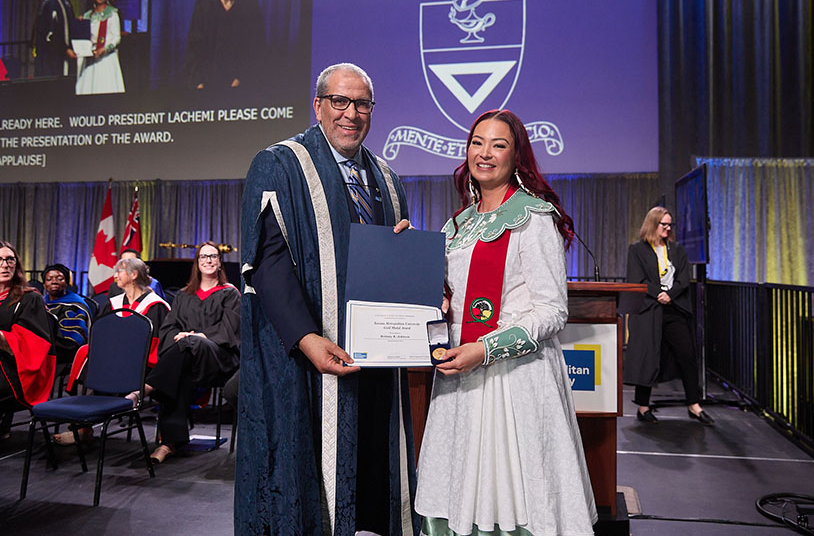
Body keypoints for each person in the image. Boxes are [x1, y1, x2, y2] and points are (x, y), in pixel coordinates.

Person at [236, 63, 416, 534]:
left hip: (373, 354)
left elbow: (386, 265)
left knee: (371, 462)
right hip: (302, 355)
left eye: (361, 104)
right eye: (340, 101)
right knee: (304, 469)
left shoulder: (388, 179)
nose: (350, 114)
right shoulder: (279, 164)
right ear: (318, 105)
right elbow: (267, 263)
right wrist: (307, 338)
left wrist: (407, 257)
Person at [414, 109, 597, 535]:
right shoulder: (457, 224)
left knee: (516, 496)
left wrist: (486, 349)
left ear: (517, 157)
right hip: (459, 380)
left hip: (513, 384)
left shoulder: (533, 217)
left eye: (499, 145)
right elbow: (449, 296)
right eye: (478, 142)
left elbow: (552, 310)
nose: (485, 153)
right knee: (457, 491)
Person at [126, 241, 240, 464]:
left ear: (219, 262)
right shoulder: (183, 296)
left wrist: (197, 336)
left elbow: (230, 330)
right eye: (203, 257)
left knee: (190, 344)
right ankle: (169, 443)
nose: (208, 260)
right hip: (187, 359)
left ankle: (146, 388)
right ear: (197, 263)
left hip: (220, 360)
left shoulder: (230, 294)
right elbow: (168, 329)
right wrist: (187, 338)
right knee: (178, 372)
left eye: (213, 257)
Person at [56, 256, 171, 445]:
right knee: (87, 366)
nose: (115, 275)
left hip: (142, 365)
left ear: (133, 275)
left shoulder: (155, 306)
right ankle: (84, 426)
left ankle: (84, 426)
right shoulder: (114, 303)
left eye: (119, 271)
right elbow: (100, 335)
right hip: (113, 361)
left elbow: (156, 345)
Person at [623, 207, 714, 425]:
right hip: (649, 309)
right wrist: (658, 294)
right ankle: (643, 407)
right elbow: (638, 279)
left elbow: (683, 279)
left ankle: (694, 405)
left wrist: (669, 295)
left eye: (669, 225)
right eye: (663, 224)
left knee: (687, 354)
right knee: (649, 356)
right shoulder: (637, 250)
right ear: (653, 224)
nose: (667, 228)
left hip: (674, 308)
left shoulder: (677, 250)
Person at [181, 0, 266, 90]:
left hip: (241, 88)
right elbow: (194, 51)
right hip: (205, 87)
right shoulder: (203, 8)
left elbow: (256, 52)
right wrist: (199, 84)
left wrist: (240, 81)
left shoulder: (250, 7)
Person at [0, 241, 56, 439]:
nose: (5, 265)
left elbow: (33, 344)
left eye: (10, 260)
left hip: (17, 370)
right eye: (0, 260)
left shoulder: (29, 298)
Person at [75, 0, 124, 95]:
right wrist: (79, 25)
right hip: (91, 57)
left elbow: (116, 38)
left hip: (106, 59)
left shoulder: (112, 14)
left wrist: (105, 49)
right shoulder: (88, 15)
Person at [42, 263, 91, 363]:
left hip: (63, 358)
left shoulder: (74, 306)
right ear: (44, 284)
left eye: (60, 279)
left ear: (67, 283)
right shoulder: (41, 303)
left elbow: (72, 343)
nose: (54, 282)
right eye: (49, 279)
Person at [35, 0, 78, 77]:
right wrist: (65, 49)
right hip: (51, 57)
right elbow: (53, 31)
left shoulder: (65, 1)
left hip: (61, 56)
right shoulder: (52, 2)